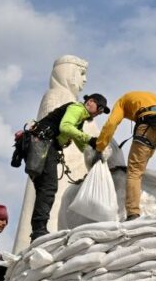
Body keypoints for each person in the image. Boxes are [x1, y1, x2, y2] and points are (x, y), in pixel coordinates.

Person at [94, 91, 156, 220]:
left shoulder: (122, 101)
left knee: (134, 172)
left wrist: (100, 147)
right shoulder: (153, 96)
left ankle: (132, 213)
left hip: (147, 126)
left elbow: (111, 124)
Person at [28, 93, 110, 240]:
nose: (99, 113)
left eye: (102, 111)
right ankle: (39, 230)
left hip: (43, 146)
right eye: (100, 108)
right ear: (90, 102)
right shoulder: (77, 108)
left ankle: (38, 229)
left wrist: (94, 153)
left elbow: (80, 143)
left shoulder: (80, 119)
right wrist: (90, 139)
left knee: (44, 189)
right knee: (48, 188)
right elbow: (65, 127)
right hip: (44, 145)